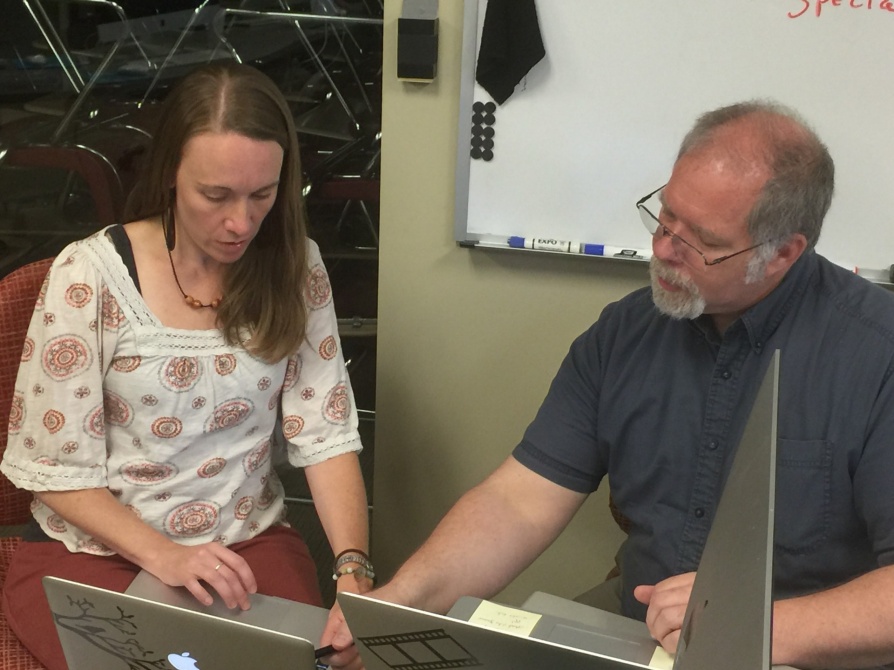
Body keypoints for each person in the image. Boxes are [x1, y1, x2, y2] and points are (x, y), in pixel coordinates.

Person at [325, 100, 894, 670]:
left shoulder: (876, 354)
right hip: (640, 637)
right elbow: (518, 503)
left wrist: (757, 627)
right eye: (665, 216)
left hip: (806, 652)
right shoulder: (626, 332)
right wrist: (399, 605)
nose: (663, 248)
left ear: (783, 253)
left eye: (701, 240)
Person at [0, 61, 373, 670]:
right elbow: (54, 469)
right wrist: (165, 556)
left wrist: (353, 569)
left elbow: (325, 434)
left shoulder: (294, 267)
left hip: (243, 545)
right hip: (95, 553)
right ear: (171, 174)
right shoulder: (90, 274)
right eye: (216, 195)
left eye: (262, 195)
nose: (241, 222)